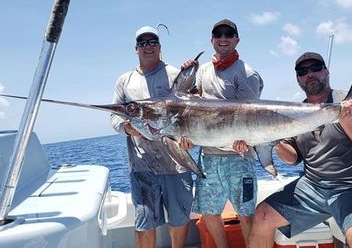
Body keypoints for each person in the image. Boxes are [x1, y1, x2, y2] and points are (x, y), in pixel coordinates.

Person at [247, 52, 352, 248]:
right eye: (303, 71)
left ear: (326, 71)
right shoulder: (295, 113)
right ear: (298, 78)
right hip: (313, 187)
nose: (310, 74)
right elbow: (292, 159)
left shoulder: (351, 105)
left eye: (315, 68)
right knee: (262, 215)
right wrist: (273, 140)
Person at [181, 19, 264, 247]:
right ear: (212, 40)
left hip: (240, 156)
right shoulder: (203, 71)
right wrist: (186, 72)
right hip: (208, 157)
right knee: (208, 212)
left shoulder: (247, 73)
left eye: (229, 34)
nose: (224, 38)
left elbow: (250, 117)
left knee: (246, 214)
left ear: (237, 39)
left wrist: (246, 141)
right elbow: (190, 104)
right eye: (219, 34)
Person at [110, 26, 193, 248]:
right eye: (143, 43)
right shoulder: (124, 81)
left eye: (152, 41)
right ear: (136, 48)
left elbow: (193, 113)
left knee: (179, 219)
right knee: (144, 223)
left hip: (176, 162)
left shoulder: (175, 75)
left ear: (159, 46)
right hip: (141, 165)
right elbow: (115, 118)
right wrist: (127, 129)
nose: (148, 46)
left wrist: (190, 138)